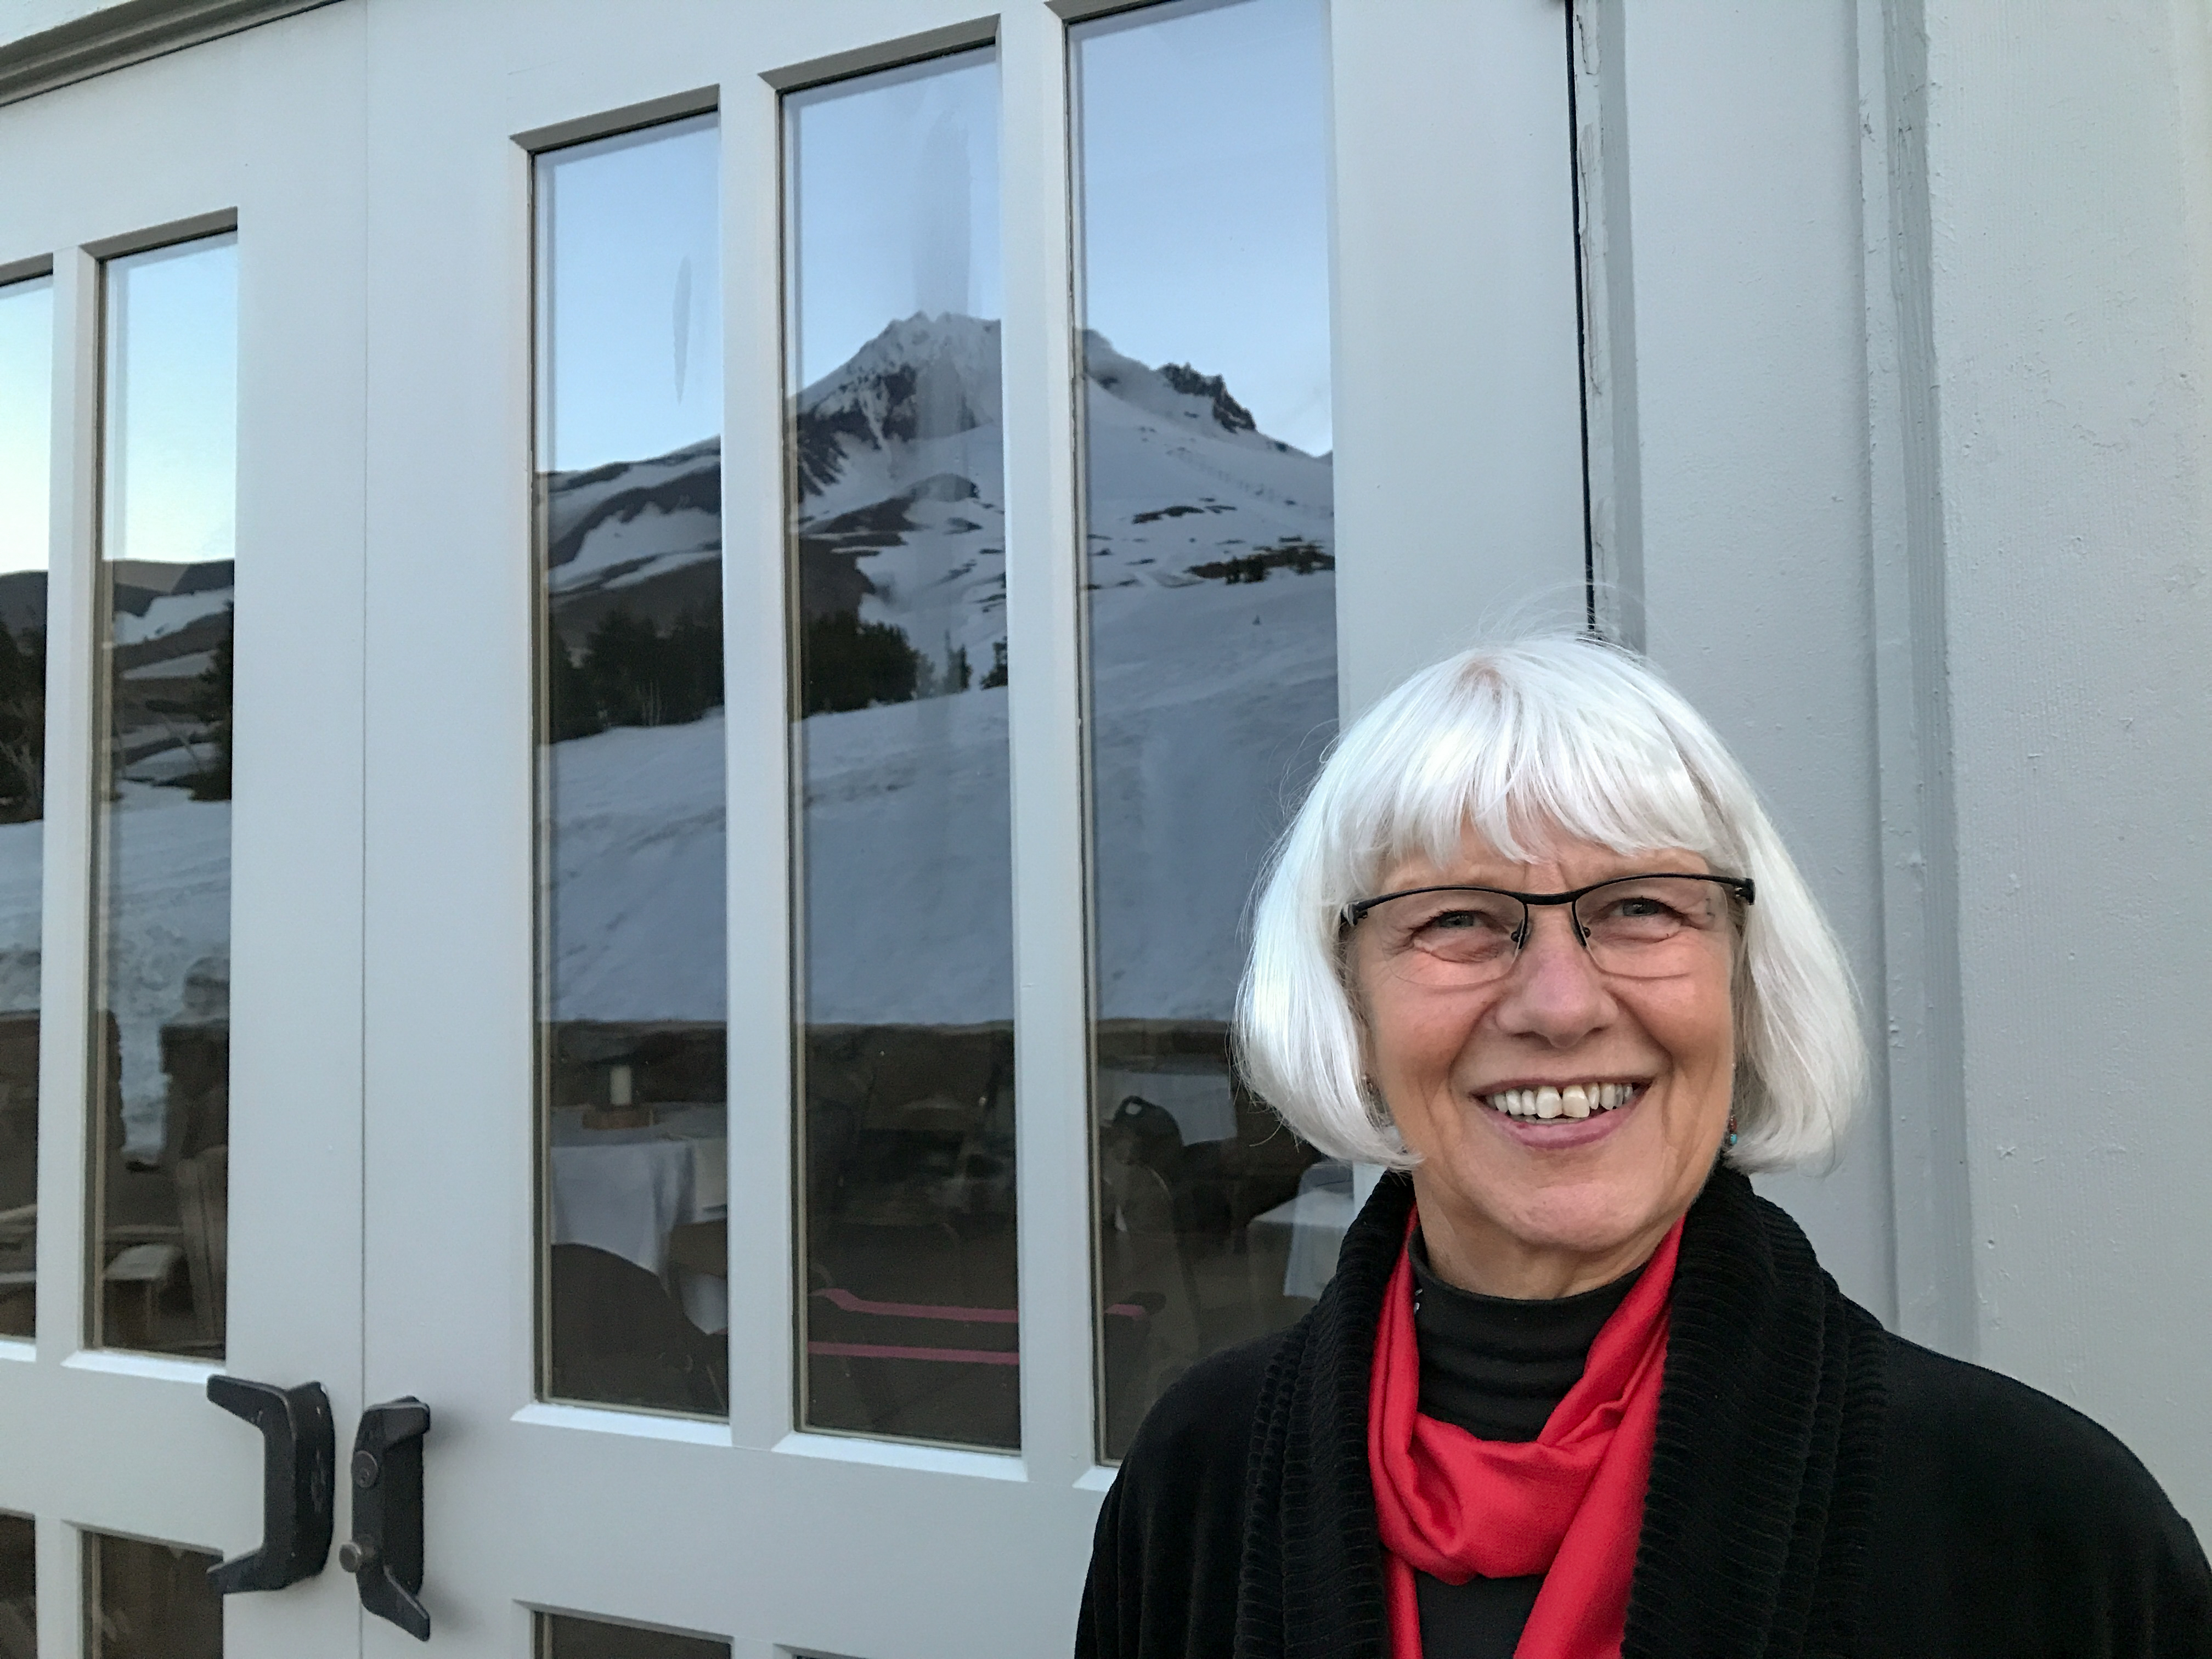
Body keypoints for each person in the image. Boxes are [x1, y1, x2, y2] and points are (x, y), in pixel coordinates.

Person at [1075, 635, 2212, 1659]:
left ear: (1743, 976)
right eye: (1457, 919)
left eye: (1641, 909)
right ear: (1346, 1003)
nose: (1561, 1005)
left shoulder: (2034, 1521)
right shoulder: (1201, 1477)